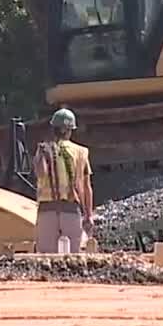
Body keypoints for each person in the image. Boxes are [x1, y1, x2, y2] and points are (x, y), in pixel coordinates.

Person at [32, 108, 94, 252]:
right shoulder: (81, 152)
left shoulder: (44, 149)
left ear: (53, 128)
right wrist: (88, 215)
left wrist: (40, 155)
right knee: (74, 257)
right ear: (70, 130)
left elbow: (40, 173)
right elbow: (86, 187)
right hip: (71, 210)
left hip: (47, 210)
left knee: (46, 258)